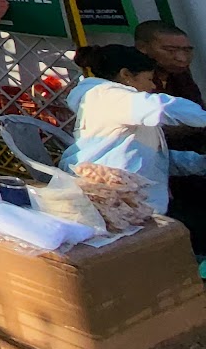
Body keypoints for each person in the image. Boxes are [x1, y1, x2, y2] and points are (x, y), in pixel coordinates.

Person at [61, 44, 206, 251]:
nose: (153, 86)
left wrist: (199, 164)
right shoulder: (105, 96)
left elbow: (154, 159)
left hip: (137, 204)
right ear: (126, 75)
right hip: (115, 205)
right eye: (149, 79)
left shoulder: (119, 106)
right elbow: (160, 106)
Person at [135, 21, 202, 104]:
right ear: (142, 47)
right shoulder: (133, 78)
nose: (182, 58)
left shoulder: (180, 75)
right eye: (170, 50)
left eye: (187, 50)